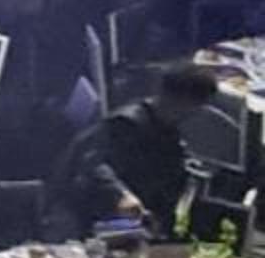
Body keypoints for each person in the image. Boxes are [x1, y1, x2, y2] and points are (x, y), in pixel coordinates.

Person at [65, 63, 225, 234]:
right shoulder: (127, 123)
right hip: (97, 217)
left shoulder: (168, 131)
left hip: (141, 221)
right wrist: (121, 195)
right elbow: (93, 163)